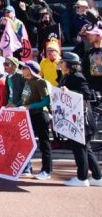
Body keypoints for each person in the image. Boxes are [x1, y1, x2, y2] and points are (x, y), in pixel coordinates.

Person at [57, 52, 102, 187]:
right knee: (85, 149)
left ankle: (82, 178)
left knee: (80, 149)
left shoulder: (77, 76)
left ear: (70, 64)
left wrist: (69, 92)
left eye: (63, 62)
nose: (60, 63)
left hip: (82, 120)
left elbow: (86, 95)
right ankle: (97, 177)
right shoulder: (66, 76)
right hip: (75, 119)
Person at [18, 61, 53, 180]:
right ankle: (27, 168)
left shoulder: (40, 82)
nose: (21, 69)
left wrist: (30, 107)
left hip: (40, 115)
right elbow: (25, 99)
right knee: (26, 142)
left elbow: (46, 101)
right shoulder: (27, 81)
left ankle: (46, 170)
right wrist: (15, 105)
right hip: (29, 115)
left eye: (24, 67)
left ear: (31, 70)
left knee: (44, 144)